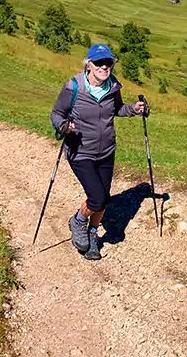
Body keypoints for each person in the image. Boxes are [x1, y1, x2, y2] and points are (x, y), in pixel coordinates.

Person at [50, 43, 146, 260]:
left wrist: (133, 109)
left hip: (106, 151)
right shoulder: (73, 87)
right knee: (97, 198)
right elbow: (56, 113)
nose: (104, 66)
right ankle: (78, 221)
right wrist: (63, 126)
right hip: (80, 151)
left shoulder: (113, 86)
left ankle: (92, 234)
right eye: (99, 63)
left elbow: (118, 109)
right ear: (89, 64)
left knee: (103, 197)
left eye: (108, 63)